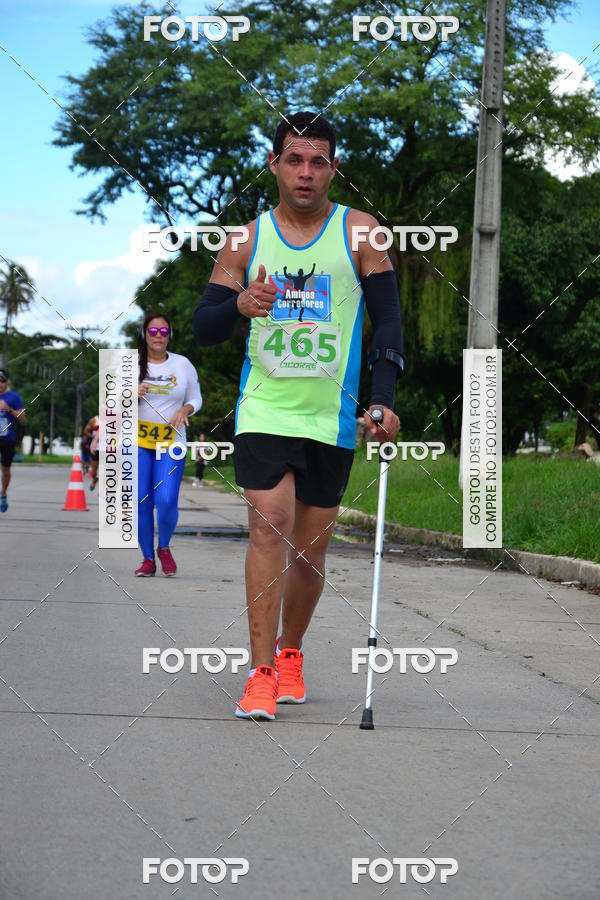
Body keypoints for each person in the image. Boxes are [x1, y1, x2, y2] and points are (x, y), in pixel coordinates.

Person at [194, 111, 404, 720]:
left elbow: (389, 323)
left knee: (310, 552)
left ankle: (291, 653)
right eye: (294, 160)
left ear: (334, 167)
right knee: (269, 523)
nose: (306, 172)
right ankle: (259, 674)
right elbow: (205, 327)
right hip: (264, 406)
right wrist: (238, 302)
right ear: (274, 165)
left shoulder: (362, 233)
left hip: (332, 415)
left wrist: (382, 396)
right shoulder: (245, 241)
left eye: (318, 161)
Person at [136, 311, 202, 577]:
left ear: (170, 335)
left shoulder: (182, 364)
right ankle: (147, 559)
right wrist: (129, 393)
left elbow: (196, 399)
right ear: (144, 334)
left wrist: (185, 410)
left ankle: (164, 546)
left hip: (171, 442)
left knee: (165, 500)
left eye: (164, 332)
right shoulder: (129, 365)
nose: (159, 336)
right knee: (141, 502)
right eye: (153, 331)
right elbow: (109, 403)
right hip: (136, 443)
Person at [0, 368, 25, 513]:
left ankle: (3, 493)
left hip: (7, 438)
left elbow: (23, 417)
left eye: (2, 381)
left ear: (6, 382)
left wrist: (9, 409)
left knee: (5, 469)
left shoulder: (14, 397)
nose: (0, 384)